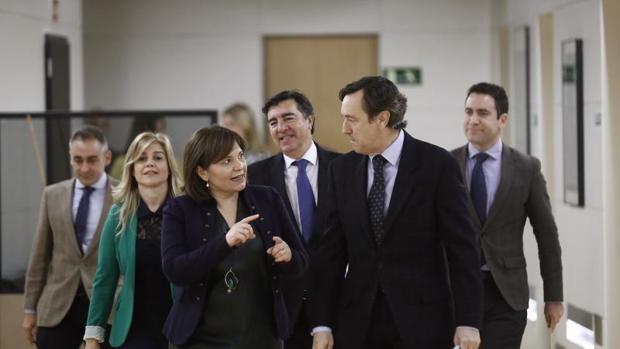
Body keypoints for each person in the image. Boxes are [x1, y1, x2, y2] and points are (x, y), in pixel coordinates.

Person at [311, 76, 482, 349]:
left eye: (352, 119)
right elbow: (330, 252)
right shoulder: (340, 170)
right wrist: (322, 323)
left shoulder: (437, 165)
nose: (344, 129)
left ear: (381, 118)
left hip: (423, 322)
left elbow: (463, 249)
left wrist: (468, 320)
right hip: (358, 323)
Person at [161, 126, 309, 348]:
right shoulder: (180, 209)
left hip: (262, 337)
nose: (239, 166)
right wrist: (225, 242)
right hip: (199, 340)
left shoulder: (267, 198)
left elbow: (301, 262)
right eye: (226, 161)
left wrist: (288, 256)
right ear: (202, 172)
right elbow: (174, 270)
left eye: (240, 156)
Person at [451, 82, 564, 349]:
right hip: (456, 289)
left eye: (482, 113)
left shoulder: (526, 168)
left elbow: (546, 234)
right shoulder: (446, 165)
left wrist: (554, 296)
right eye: (468, 112)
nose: (473, 120)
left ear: (502, 119)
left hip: (506, 293)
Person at [248, 90, 340, 349]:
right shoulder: (256, 177)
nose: (281, 128)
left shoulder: (344, 167)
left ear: (309, 120)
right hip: (284, 306)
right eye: (273, 122)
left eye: (288, 118)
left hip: (338, 303)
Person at [83, 132, 183, 349]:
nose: (150, 164)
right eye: (141, 158)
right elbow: (105, 278)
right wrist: (92, 336)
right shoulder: (118, 216)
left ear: (169, 166)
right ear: (132, 169)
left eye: (158, 157)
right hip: (134, 329)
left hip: (182, 325)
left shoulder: (188, 212)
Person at [23, 126, 117, 349]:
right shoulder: (52, 195)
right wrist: (29, 309)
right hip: (57, 306)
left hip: (107, 306)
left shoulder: (124, 194)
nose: (84, 168)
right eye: (78, 160)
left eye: (92, 160)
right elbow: (39, 256)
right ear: (70, 158)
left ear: (107, 157)